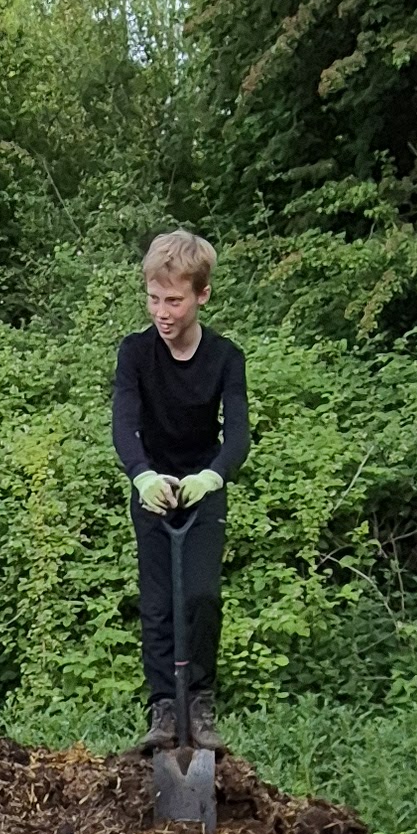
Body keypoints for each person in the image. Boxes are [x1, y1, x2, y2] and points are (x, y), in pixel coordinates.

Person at [111, 229, 249, 750]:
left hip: (201, 488)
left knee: (201, 596)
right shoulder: (135, 353)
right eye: (153, 298)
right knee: (157, 604)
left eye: (174, 300)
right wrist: (142, 474)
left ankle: (200, 704)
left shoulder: (225, 357)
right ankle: (165, 709)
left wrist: (212, 475)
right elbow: (125, 422)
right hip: (153, 486)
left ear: (202, 294)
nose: (161, 312)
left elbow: (238, 435)